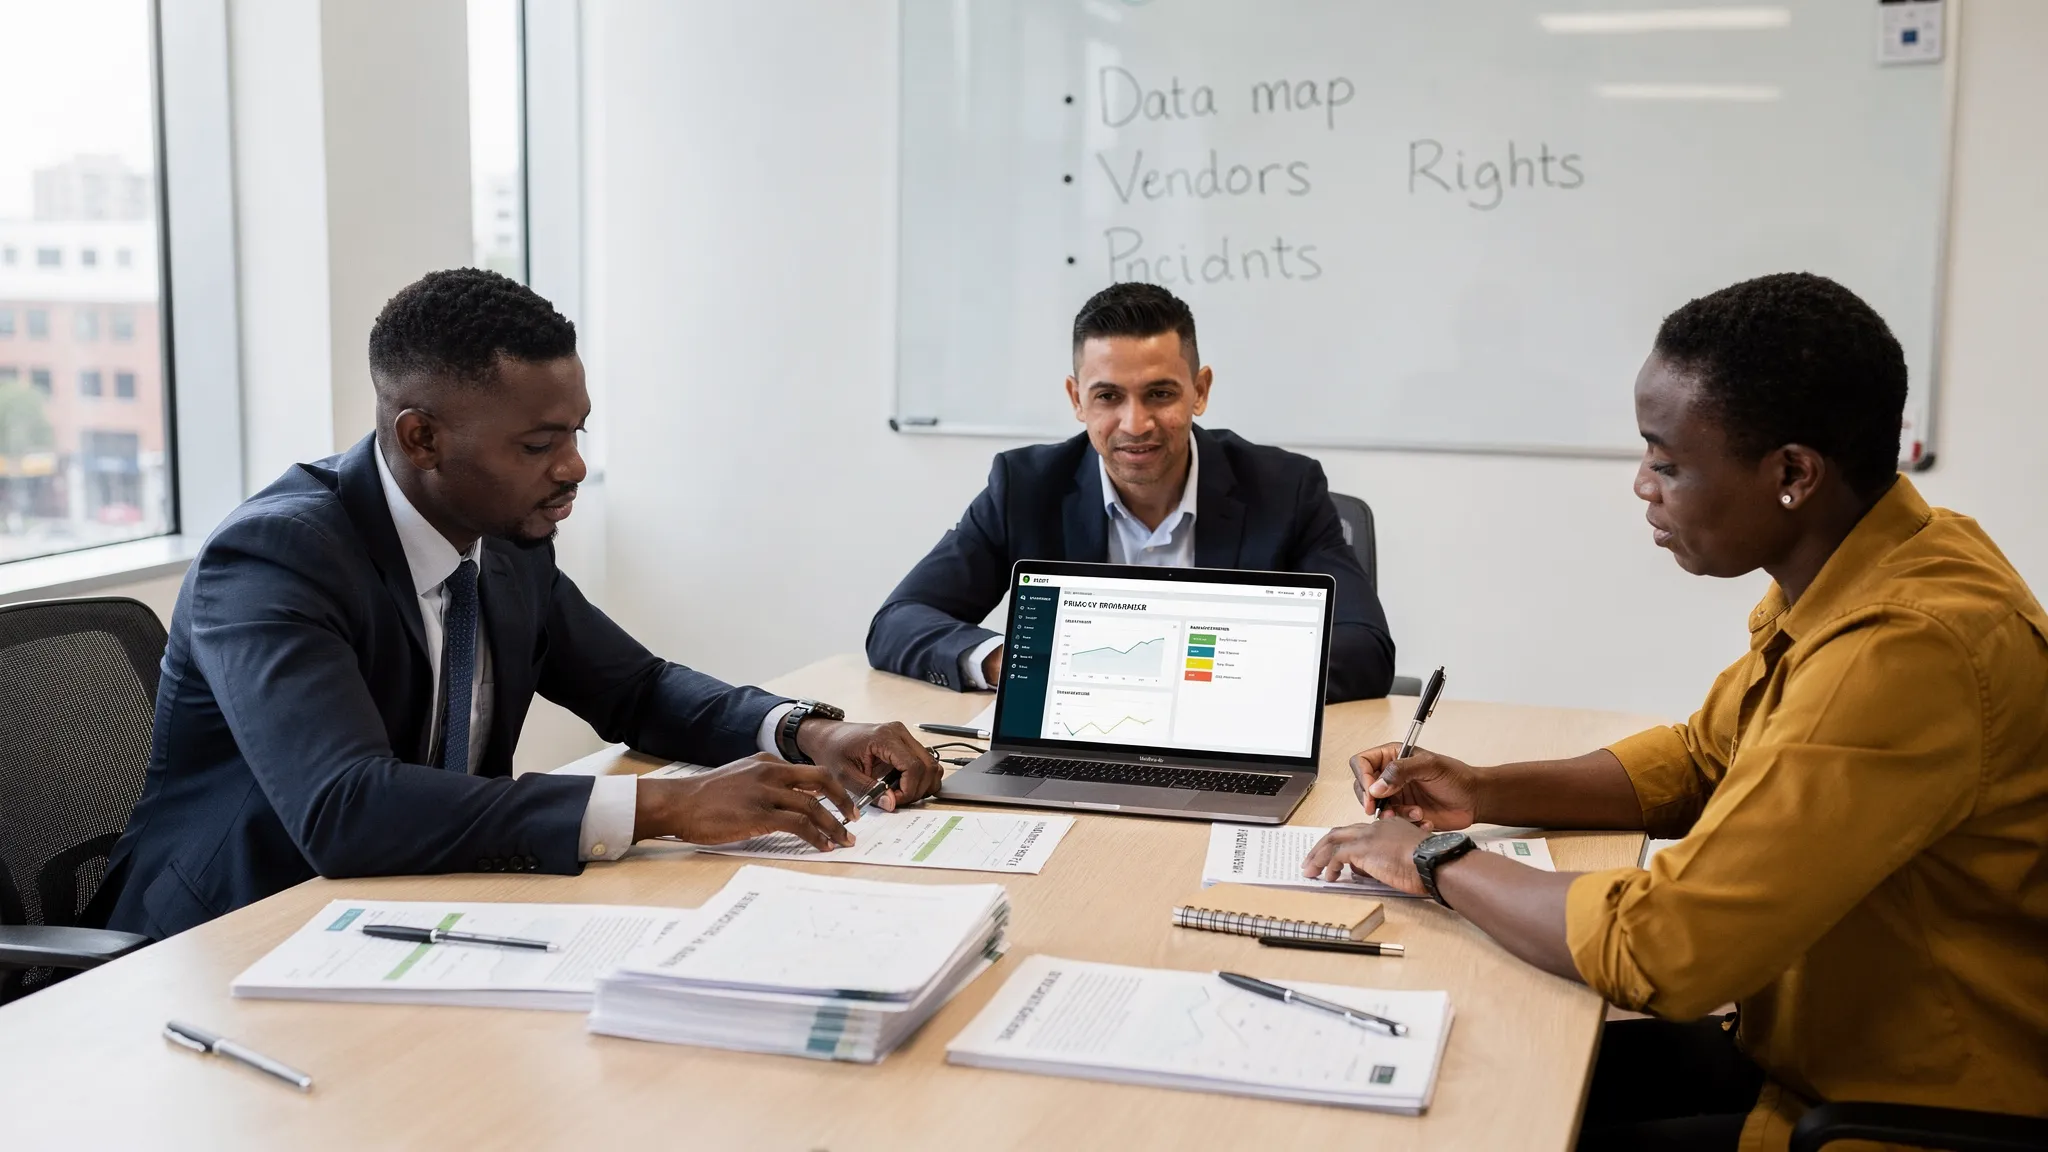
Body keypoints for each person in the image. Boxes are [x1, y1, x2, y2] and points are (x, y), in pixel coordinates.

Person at [1301, 273, 2048, 1150]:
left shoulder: (1903, 650)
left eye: (1667, 461)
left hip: (1906, 1112)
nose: (1642, 486)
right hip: (1809, 1048)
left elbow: (1663, 949)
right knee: (1490, 1068)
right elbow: (1702, 758)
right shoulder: (1893, 559)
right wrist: (1481, 788)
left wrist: (1436, 859)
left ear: (1794, 475)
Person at [100, 269, 939, 939]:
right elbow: (345, 808)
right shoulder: (276, 558)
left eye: (577, 432)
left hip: (422, 916)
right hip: (232, 940)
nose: (572, 467)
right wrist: (668, 806)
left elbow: (635, 689)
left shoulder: (501, 539)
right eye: (540, 444)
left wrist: (811, 731)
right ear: (420, 437)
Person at [867, 282, 1396, 701]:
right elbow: (898, 622)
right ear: (1077, 399)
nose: (1135, 423)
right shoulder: (1023, 488)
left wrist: (1188, 673)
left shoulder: (1285, 488)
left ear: (1200, 391)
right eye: (1108, 396)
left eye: (1160, 394)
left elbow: (1363, 648)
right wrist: (1012, 661)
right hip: (1080, 740)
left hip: (1222, 736)